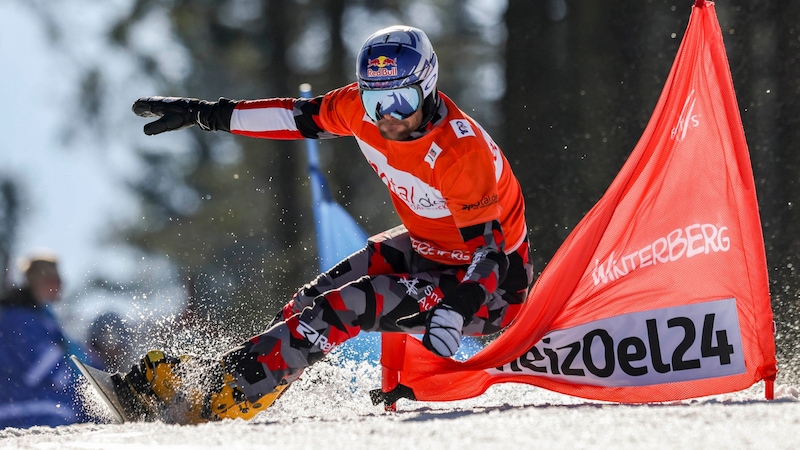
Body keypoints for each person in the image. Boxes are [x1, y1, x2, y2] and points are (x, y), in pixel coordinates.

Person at [119, 25, 533, 423]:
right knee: (308, 301)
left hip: (487, 288)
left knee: (346, 306)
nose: (387, 117)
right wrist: (204, 113)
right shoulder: (359, 111)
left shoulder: (459, 153)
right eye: (375, 102)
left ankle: (225, 396)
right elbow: (292, 117)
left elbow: (491, 255)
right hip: (430, 246)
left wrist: (457, 310)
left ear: (427, 89)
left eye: (401, 101)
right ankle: (224, 377)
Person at [0, 253, 91, 428]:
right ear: (36, 281)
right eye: (53, 280)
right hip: (22, 410)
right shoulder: (18, 318)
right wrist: (80, 382)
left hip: (42, 405)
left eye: (60, 280)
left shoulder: (44, 318)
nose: (59, 285)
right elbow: (38, 367)